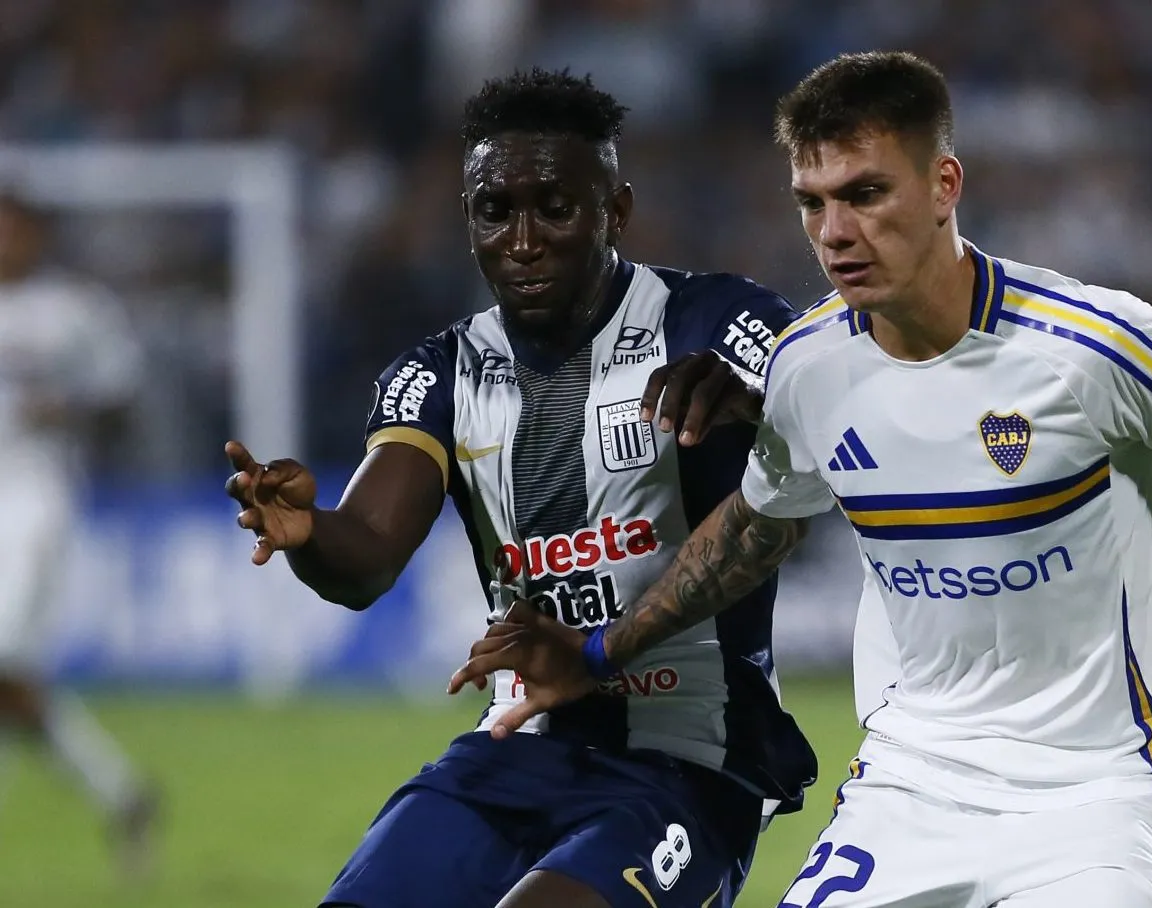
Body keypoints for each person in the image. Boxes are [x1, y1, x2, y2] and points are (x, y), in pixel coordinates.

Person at [448, 51, 1152, 908]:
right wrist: (596, 652)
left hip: (1098, 793)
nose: (834, 231)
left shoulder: (1100, 347)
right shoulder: (808, 365)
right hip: (911, 782)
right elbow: (754, 528)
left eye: (866, 193)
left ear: (943, 183)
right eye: (812, 200)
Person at [224, 68, 814, 908]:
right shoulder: (438, 373)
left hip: (691, 763)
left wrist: (753, 402)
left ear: (616, 211)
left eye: (556, 207)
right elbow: (367, 560)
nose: (524, 239)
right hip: (515, 745)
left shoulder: (712, 321)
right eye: (495, 211)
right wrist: (310, 533)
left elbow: (817, 430)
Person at [0, 191, 159, 876]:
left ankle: (120, 793)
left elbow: (123, 399)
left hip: (33, 499)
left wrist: (67, 409)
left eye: (16, 226)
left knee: (3, 658)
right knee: (13, 684)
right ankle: (123, 794)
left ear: (37, 232)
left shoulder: (75, 309)